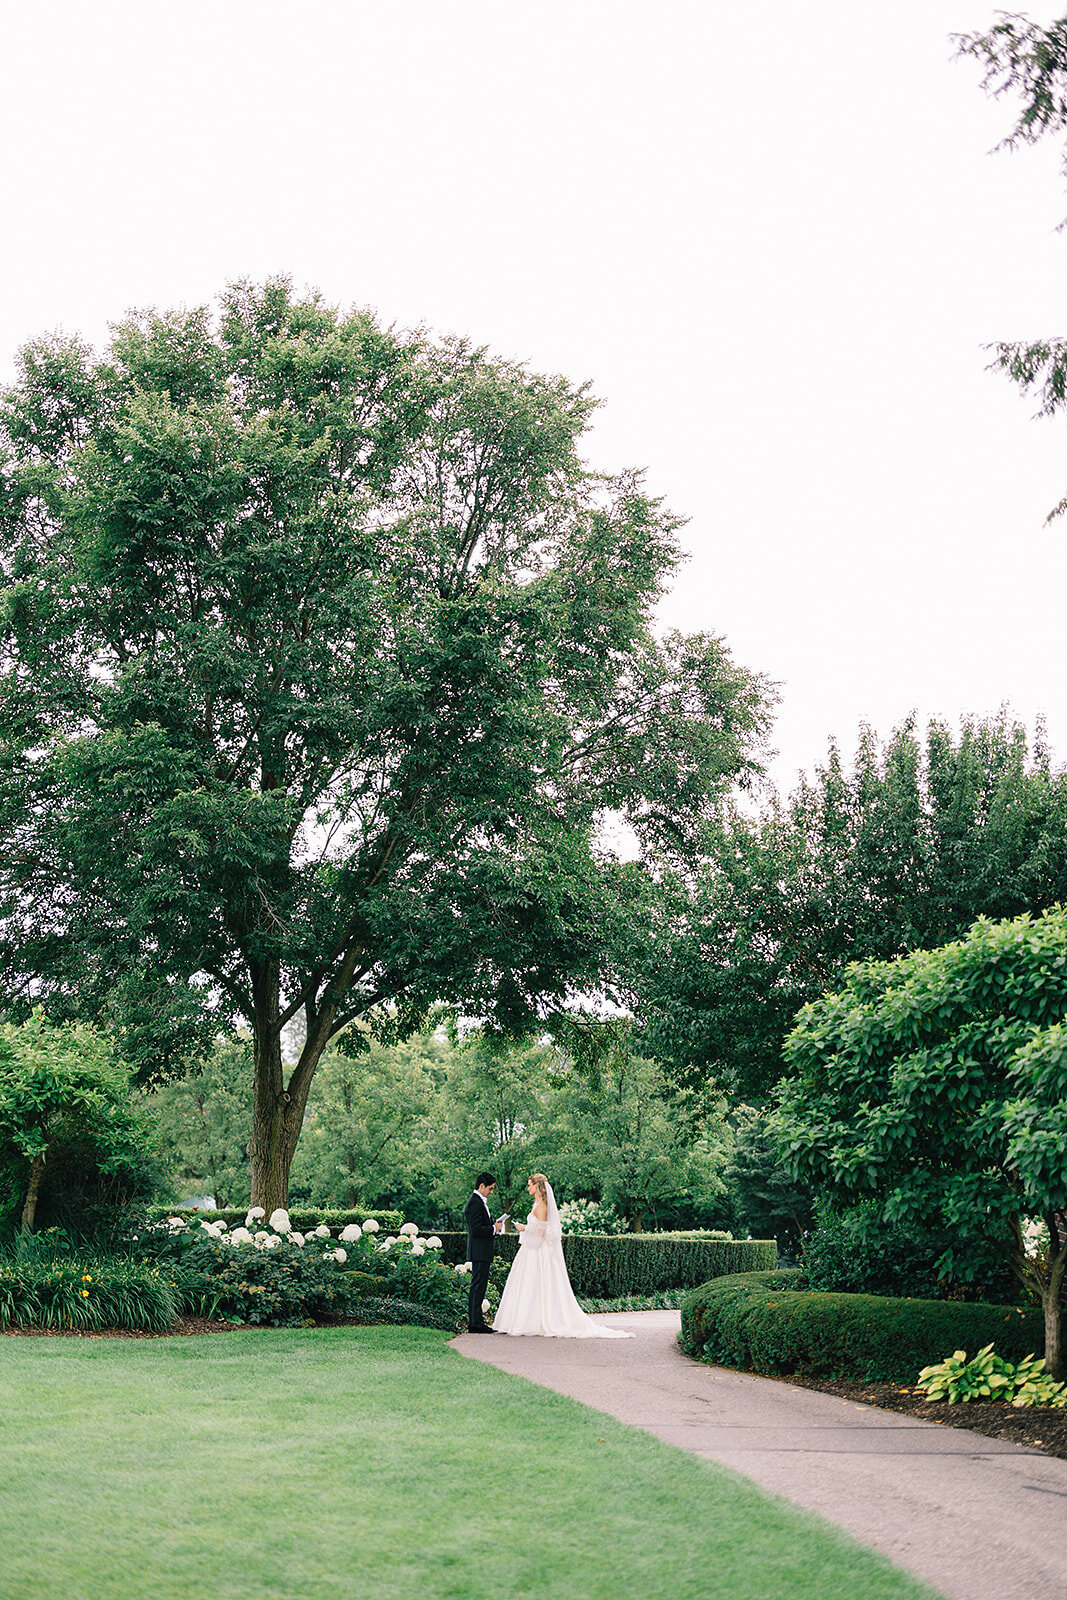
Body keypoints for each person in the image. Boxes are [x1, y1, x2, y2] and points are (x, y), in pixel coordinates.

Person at [491, 1174, 633, 1338]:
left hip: (538, 1251)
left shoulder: (542, 1205)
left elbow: (542, 1232)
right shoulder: (536, 1204)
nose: (528, 1188)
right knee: (527, 1284)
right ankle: (525, 1320)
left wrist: (524, 1228)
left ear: (537, 1186)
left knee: (536, 1283)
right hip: (531, 1249)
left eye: (529, 1185)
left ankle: (532, 1322)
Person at [463, 1171, 503, 1333]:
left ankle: (477, 1321)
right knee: (477, 1287)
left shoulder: (479, 1202)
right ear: (481, 1186)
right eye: (490, 1188)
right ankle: (475, 1324)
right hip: (479, 1252)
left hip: (482, 1252)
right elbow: (477, 1229)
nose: (491, 1192)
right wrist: (494, 1228)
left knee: (480, 1287)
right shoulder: (474, 1203)